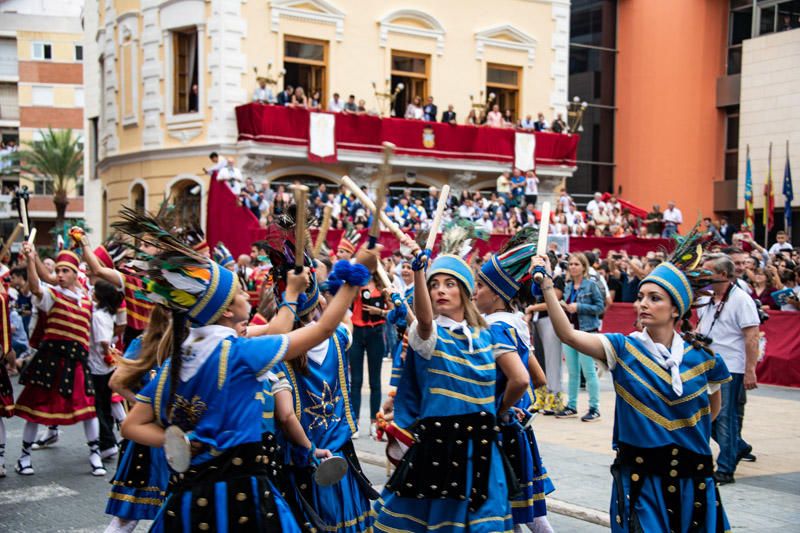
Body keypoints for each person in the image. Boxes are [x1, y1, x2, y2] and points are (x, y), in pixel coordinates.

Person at [116, 208, 379, 532]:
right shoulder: (239, 354)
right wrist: (356, 276)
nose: (247, 295)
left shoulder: (176, 364)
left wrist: (181, 441)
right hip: (242, 499)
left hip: (187, 502)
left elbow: (131, 425)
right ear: (226, 311)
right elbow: (322, 329)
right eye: (240, 292)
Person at [530, 225, 732, 533]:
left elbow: (711, 411)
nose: (643, 304)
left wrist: (680, 432)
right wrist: (546, 285)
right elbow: (567, 334)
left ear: (676, 308)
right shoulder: (624, 348)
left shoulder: (703, 358)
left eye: (654, 298)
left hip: (694, 479)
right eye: (640, 297)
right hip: (643, 480)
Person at [372, 228, 526, 533]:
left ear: (465, 292)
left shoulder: (488, 335)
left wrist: (500, 409)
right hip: (439, 453)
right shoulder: (426, 336)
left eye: (450, 284)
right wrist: (419, 273)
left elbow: (520, 380)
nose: (441, 290)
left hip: (482, 452)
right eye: (435, 285)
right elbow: (425, 321)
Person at [266, 235, 378, 531]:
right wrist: (351, 276)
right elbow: (338, 321)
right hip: (340, 453)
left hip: (305, 458)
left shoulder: (277, 351)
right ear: (320, 301)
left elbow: (286, 415)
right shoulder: (340, 336)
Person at [473, 233, 555, 532]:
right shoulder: (516, 326)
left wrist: (501, 407)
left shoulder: (495, 330)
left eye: (480, 285)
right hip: (520, 429)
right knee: (522, 515)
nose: (474, 291)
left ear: (496, 294)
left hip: (502, 429)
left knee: (514, 514)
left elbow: (521, 380)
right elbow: (540, 378)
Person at [14, 245, 105, 476]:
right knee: (35, 408)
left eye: (65, 271)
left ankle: (95, 454)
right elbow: (35, 287)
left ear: (76, 274)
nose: (60, 275)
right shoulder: (53, 295)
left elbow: (92, 336)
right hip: (50, 360)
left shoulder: (87, 301)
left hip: (77, 362)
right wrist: (32, 260)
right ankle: (24, 457)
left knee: (88, 409)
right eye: (59, 270)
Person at [105, 305, 172, 533]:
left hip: (178, 438)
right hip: (148, 440)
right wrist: (142, 404)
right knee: (127, 516)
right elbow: (116, 382)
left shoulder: (188, 344)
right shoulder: (144, 343)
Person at [696, 253, 760, 485]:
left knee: (725, 416)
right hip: (708, 364)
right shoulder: (706, 298)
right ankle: (738, 447)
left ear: (723, 274)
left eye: (707, 272)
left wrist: (750, 369)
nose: (702, 276)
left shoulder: (741, 299)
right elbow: (703, 327)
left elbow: (752, 337)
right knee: (707, 415)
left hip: (731, 367)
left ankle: (725, 469)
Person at [555, 253, 604, 422]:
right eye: (571, 264)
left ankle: (594, 408)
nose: (573, 266)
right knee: (573, 372)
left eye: (576, 264)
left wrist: (579, 307)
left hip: (586, 332)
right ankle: (572, 405)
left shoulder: (591, 285)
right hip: (570, 332)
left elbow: (600, 307)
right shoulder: (568, 286)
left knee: (589, 371)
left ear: (584, 267)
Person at [88, 279, 125, 462]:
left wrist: (108, 352)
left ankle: (107, 443)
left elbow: (103, 342)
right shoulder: (108, 313)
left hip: (97, 365)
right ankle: (107, 442)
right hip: (105, 365)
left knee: (98, 406)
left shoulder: (98, 315)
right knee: (105, 404)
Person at [348, 273, 388, 438]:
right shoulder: (357, 282)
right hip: (357, 332)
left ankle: (374, 423)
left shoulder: (382, 286)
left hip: (376, 332)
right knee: (356, 381)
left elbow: (394, 310)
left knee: (375, 381)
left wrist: (379, 311)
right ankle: (355, 423)